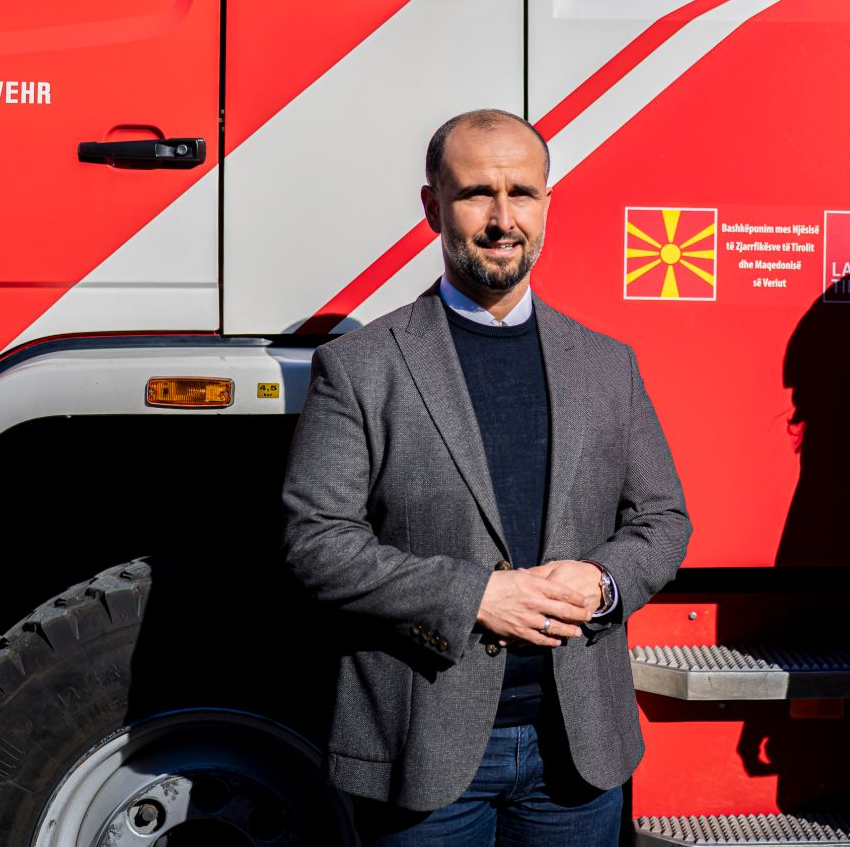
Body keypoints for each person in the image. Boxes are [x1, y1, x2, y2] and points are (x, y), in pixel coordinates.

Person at [282, 108, 691, 846]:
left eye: (522, 193)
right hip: (423, 756)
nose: (503, 219)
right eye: (476, 193)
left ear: (546, 204)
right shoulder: (362, 365)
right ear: (432, 207)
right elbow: (316, 542)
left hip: (578, 756)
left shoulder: (606, 364)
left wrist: (604, 582)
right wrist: (476, 596)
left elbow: (663, 519)